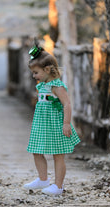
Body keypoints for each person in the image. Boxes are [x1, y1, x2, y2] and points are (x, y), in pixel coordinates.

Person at [24, 40, 80, 195]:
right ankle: (43, 179)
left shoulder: (57, 86)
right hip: (41, 123)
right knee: (36, 150)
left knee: (57, 154)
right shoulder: (41, 85)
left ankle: (58, 186)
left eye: (36, 72)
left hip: (55, 123)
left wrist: (66, 123)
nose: (34, 76)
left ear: (47, 69)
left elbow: (67, 104)